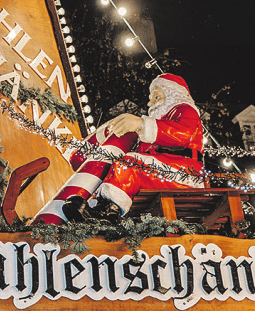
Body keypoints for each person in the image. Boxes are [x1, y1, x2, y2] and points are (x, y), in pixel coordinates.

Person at [34, 74, 205, 224]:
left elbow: (184, 134)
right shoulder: (155, 127)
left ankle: (106, 214)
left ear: (172, 94)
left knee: (129, 163)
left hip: (185, 172)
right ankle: (98, 208)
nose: (150, 103)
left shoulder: (185, 111)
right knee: (123, 165)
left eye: (156, 97)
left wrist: (141, 123)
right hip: (161, 172)